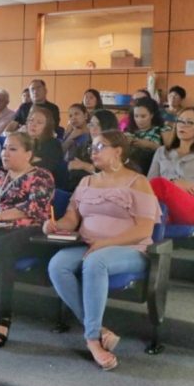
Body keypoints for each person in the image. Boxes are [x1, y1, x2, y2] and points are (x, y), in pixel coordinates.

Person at [46, 130, 161, 371]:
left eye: (100, 147)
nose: (92, 152)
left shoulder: (137, 182)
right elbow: (71, 218)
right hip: (90, 246)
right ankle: (100, 330)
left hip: (130, 249)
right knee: (58, 264)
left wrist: (105, 244)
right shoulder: (86, 181)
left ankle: (92, 339)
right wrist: (56, 224)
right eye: (92, 148)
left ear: (118, 151)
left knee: (96, 262)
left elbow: (144, 228)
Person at [0, 132, 54, 347]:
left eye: (13, 149)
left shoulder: (41, 176)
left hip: (30, 230)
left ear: (29, 154)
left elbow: (35, 209)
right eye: (5, 148)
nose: (5, 153)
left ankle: (3, 317)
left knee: (1, 246)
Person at [147, 107, 194, 226]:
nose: (182, 125)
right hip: (162, 203)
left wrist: (174, 186)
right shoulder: (161, 151)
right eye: (180, 121)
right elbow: (149, 183)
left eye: (189, 122)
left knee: (158, 184)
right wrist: (174, 183)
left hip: (193, 205)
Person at [67, 110, 119, 190]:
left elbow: (113, 175)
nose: (93, 129)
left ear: (108, 127)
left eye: (98, 125)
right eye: (91, 125)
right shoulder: (84, 145)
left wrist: (85, 166)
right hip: (77, 191)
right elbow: (72, 166)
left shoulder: (116, 149)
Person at [124, 97, 172, 173]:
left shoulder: (162, 129)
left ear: (152, 115)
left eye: (143, 116)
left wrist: (151, 145)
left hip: (153, 168)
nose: (139, 120)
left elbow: (171, 154)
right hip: (129, 169)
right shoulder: (129, 130)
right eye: (136, 116)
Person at [26, 106, 65, 189]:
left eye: (39, 122)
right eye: (31, 120)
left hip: (42, 187)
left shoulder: (53, 144)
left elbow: (45, 168)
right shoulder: (22, 141)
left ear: (47, 127)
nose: (33, 124)